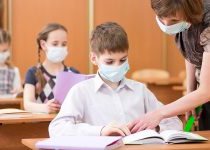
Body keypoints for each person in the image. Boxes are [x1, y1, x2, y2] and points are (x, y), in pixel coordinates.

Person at [48, 22, 182, 137]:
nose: (117, 66)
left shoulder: (140, 90)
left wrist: (155, 127)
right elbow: (57, 129)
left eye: (123, 60)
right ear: (94, 58)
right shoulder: (81, 91)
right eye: (110, 61)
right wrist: (100, 131)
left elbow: (175, 123)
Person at [128, 0, 210, 132]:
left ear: (190, 14)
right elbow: (191, 53)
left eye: (174, 21)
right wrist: (190, 93)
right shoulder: (181, 19)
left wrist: (158, 113)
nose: (166, 24)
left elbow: (206, 91)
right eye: (161, 18)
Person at [23, 23, 79, 113]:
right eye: (55, 44)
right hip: (39, 125)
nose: (60, 47)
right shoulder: (33, 72)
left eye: (64, 44)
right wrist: (45, 108)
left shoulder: (74, 73)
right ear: (43, 45)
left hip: (66, 124)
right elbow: (27, 104)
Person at [0, 28, 22, 98]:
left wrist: (20, 92)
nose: (1, 54)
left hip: (9, 108)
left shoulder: (14, 71)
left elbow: (17, 94)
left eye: (5, 50)